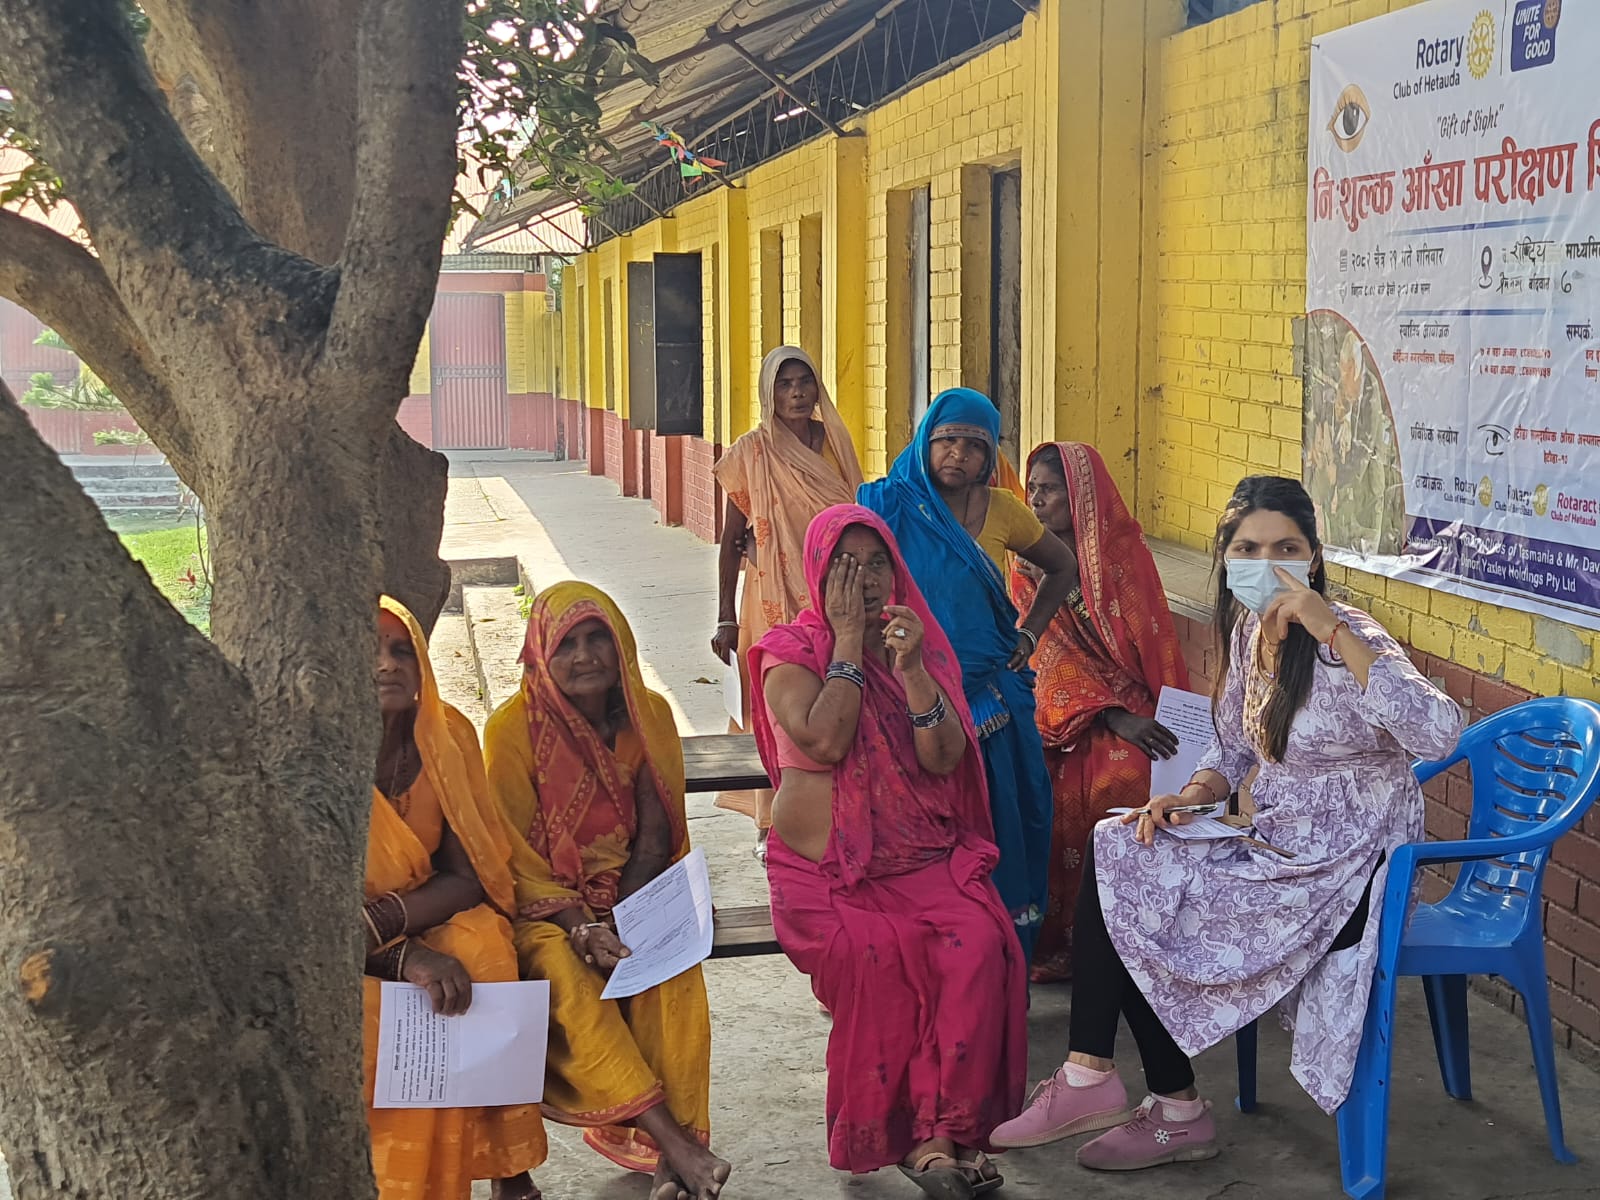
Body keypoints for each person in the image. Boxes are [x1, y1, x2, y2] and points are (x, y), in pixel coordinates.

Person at [991, 476, 1462, 1171]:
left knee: (1148, 902)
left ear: (1313, 556)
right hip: (1274, 846)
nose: (1266, 564)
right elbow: (1233, 747)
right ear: (1226, 558)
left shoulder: (1352, 637)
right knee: (1122, 847)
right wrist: (1190, 795)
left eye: (1285, 548)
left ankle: (1169, 1109)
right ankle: (1102, 1077)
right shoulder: (1249, 631)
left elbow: (1440, 732)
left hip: (1348, 873)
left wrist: (1329, 627)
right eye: (1247, 549)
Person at [753, 503, 1028, 1199]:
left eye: (878, 563)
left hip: (922, 857)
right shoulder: (790, 653)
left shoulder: (917, 645)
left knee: (977, 945)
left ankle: (944, 1135)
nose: (866, 580)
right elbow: (825, 742)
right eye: (846, 566)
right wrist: (848, 643)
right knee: (879, 955)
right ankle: (909, 1135)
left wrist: (911, 672)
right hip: (827, 875)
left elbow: (944, 760)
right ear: (819, 572)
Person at [484, 582, 728, 1200]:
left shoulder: (649, 716)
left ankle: (672, 1163)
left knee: (672, 979)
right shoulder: (510, 730)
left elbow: (655, 836)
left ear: (621, 644)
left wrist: (624, 918)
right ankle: (678, 1146)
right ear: (541, 652)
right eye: (567, 644)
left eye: (598, 638)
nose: (585, 655)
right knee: (568, 977)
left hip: (633, 893)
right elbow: (512, 859)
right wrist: (582, 926)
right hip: (544, 909)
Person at [858, 387, 1078, 960]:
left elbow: (1061, 566)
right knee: (925, 822)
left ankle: (1000, 951)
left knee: (1004, 817)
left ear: (990, 456)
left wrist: (1029, 634)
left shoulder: (1003, 509)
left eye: (975, 445)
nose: (958, 454)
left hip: (988, 695)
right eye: (947, 440)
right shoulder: (887, 504)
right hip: (907, 688)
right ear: (925, 441)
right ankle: (928, 949)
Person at [364, 598, 546, 1200]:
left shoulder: (447, 736)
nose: (387, 665)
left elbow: (468, 876)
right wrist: (401, 957)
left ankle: (506, 1166)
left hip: (405, 913)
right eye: (370, 651)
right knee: (374, 1015)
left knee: (487, 952)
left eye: (402, 651)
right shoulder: (310, 752)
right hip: (334, 943)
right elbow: (298, 911)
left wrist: (390, 925)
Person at [1010, 442, 1190, 983]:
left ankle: (1139, 938)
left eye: (1049, 490)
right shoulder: (1026, 562)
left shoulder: (1123, 554)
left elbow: (1156, 643)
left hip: (1133, 696)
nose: (1035, 501)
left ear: (1081, 497)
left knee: (1139, 774)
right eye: (1032, 490)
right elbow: (1047, 651)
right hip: (1065, 705)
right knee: (1045, 786)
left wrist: (1178, 722)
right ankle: (1068, 940)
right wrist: (1108, 715)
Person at [711, 345, 864, 859]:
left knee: (836, 697)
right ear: (768, 392)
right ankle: (769, 818)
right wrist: (725, 617)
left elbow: (854, 514)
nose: (796, 392)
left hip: (833, 591)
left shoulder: (835, 441)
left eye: (804, 381)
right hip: (771, 596)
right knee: (772, 705)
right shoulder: (751, 453)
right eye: (784, 383)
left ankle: (835, 811)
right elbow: (731, 539)